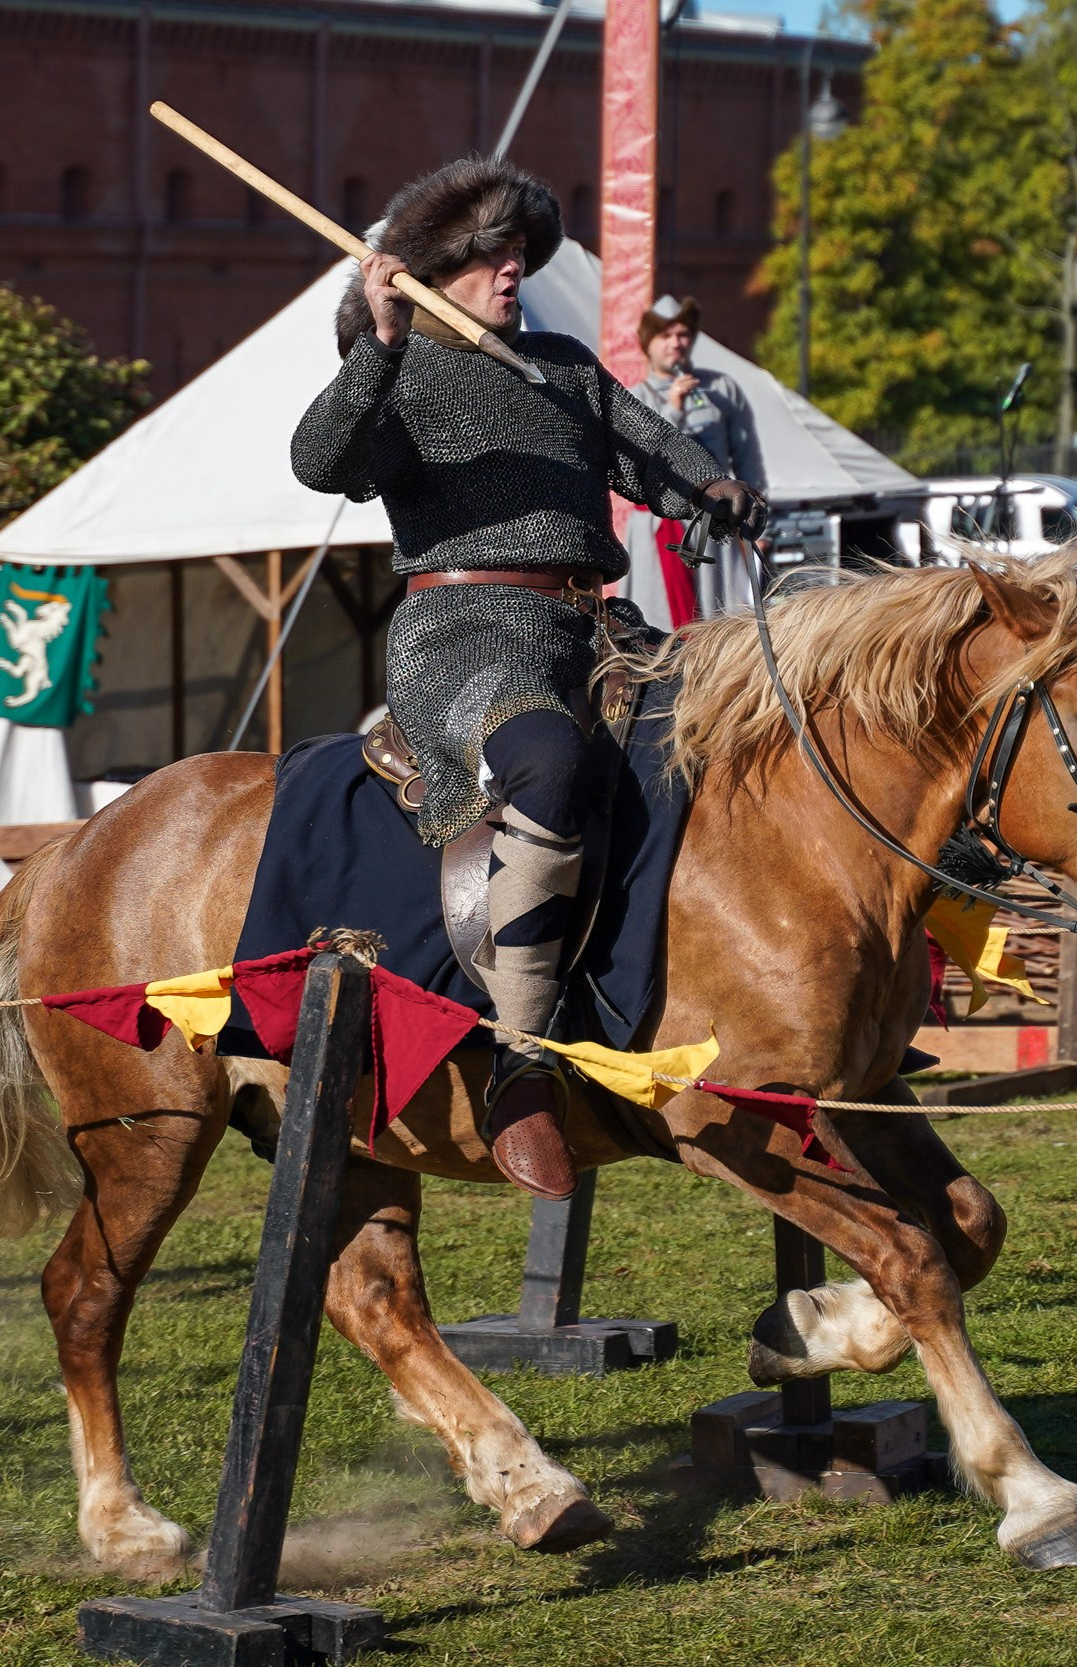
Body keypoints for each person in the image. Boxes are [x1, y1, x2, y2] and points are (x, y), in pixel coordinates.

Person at [290, 158, 766, 1201]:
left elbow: (666, 460)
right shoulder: (399, 369)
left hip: (601, 632)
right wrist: (375, 343)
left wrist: (715, 496)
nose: (514, 273)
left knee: (744, 739)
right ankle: (520, 1062)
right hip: (463, 636)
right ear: (440, 269)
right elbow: (321, 461)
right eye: (492, 259)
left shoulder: (566, 368)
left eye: (519, 257)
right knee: (544, 760)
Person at [622, 295, 768, 630]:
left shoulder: (721, 389)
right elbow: (641, 461)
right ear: (648, 343)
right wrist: (673, 408)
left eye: (683, 335)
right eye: (665, 335)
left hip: (715, 519)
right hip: (657, 528)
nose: (676, 343)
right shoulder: (635, 398)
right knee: (658, 628)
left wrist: (758, 520)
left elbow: (748, 460)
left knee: (720, 620)